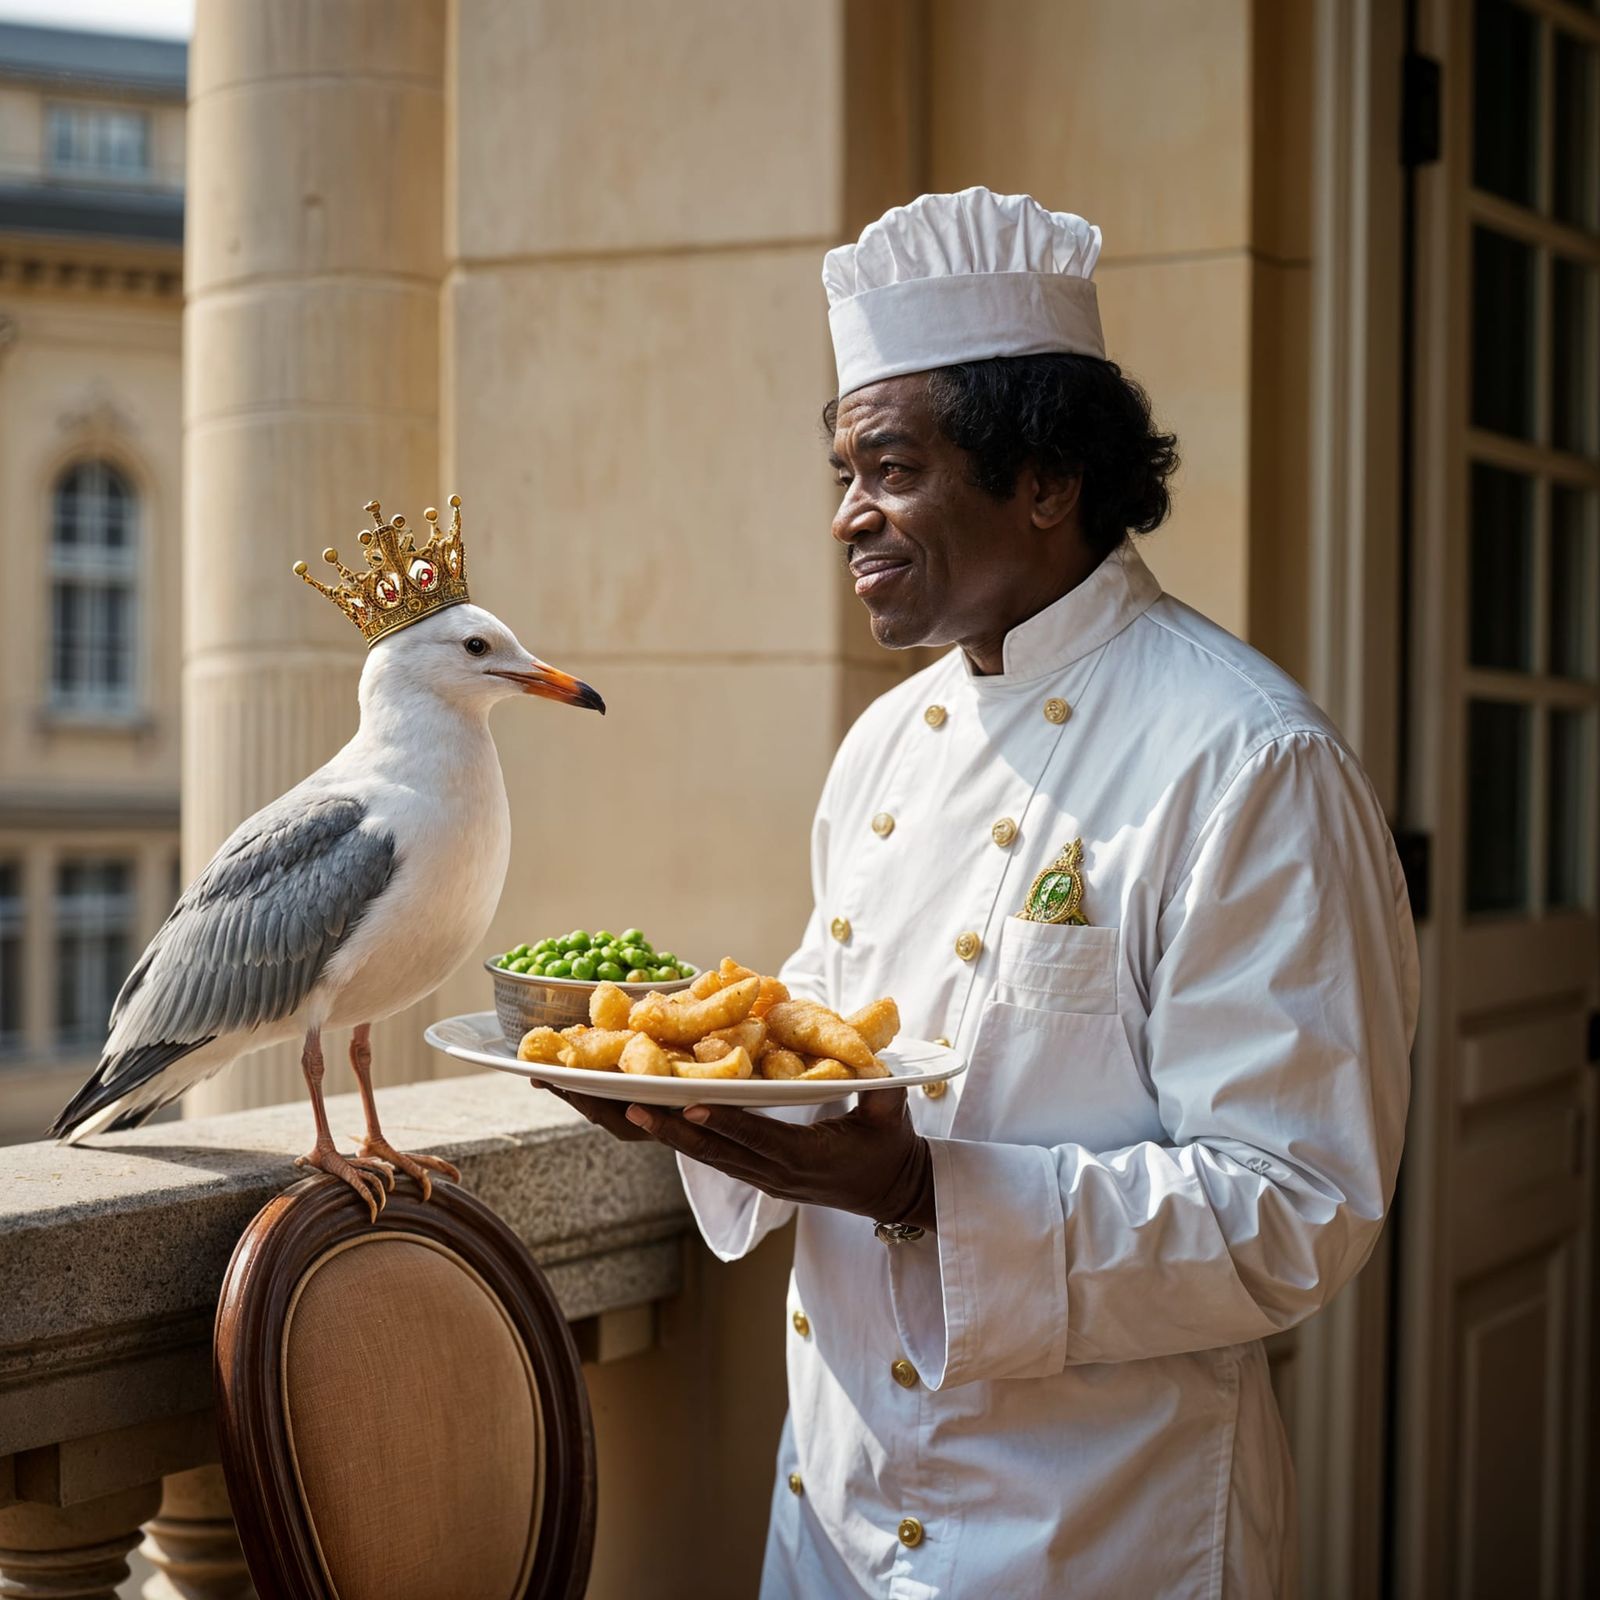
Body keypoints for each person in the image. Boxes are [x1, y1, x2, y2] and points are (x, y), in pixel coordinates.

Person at [545, 187, 1417, 1597]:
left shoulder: (1249, 759)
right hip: (834, 1504)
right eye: (839, 472)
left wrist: (924, 1189)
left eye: (887, 466)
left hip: (1097, 1530)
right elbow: (817, 1035)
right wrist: (697, 1099)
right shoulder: (887, 742)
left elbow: (1299, 1204)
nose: (847, 518)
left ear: (1048, 479)